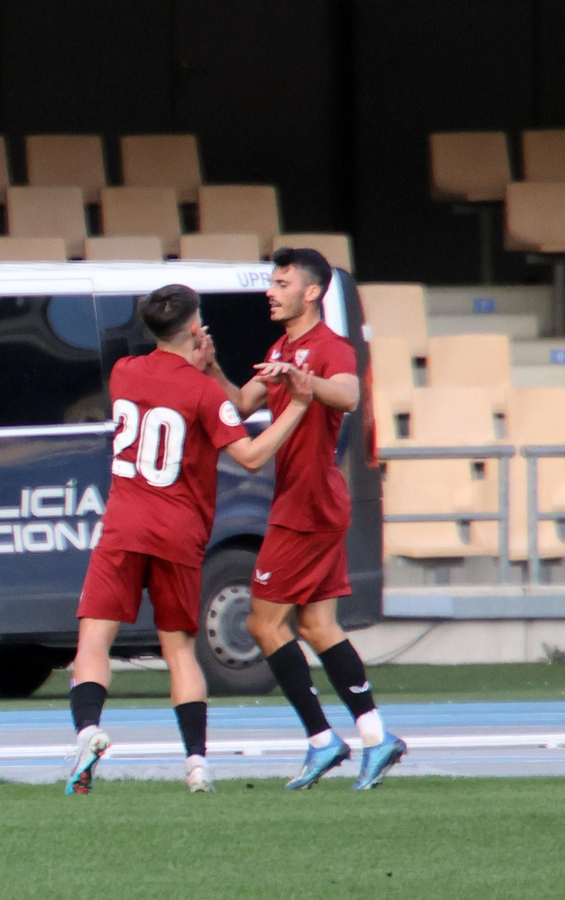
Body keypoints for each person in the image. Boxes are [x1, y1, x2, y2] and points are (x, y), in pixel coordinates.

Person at [64, 284, 314, 795]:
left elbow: (161, 392)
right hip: (178, 529)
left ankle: (88, 731)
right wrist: (297, 407)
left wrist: (201, 367)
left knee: (93, 638)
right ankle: (197, 764)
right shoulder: (200, 391)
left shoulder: (123, 373)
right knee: (178, 648)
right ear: (195, 327)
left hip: (125, 521)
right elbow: (248, 455)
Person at [207, 248, 407, 790]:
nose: (270, 291)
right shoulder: (282, 346)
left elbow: (346, 393)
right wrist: (210, 367)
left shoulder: (327, 348)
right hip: (305, 500)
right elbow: (241, 405)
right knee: (318, 626)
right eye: (271, 282)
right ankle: (375, 737)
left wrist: (304, 383)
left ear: (311, 292)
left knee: (262, 624)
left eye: (280, 282)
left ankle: (322, 741)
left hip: (309, 504)